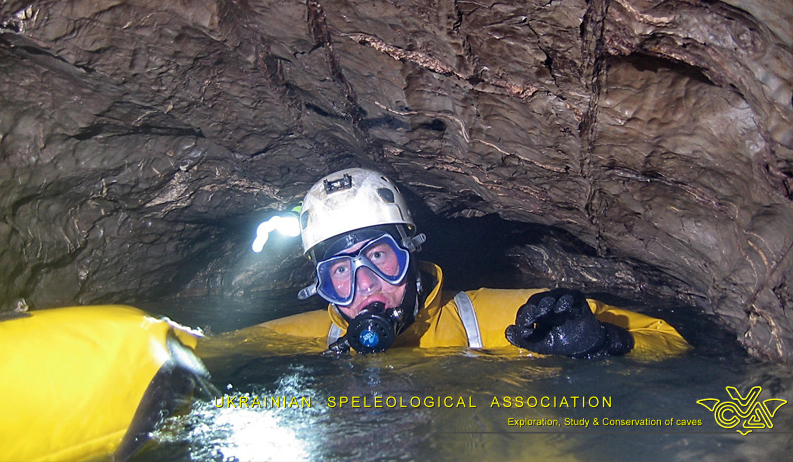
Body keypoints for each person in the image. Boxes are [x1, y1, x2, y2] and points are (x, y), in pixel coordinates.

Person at [258, 168, 689, 357]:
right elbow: (198, 352)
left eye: (377, 257)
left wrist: (605, 344)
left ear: (410, 255)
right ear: (322, 288)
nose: (366, 286)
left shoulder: (500, 322)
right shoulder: (313, 338)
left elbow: (668, 341)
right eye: (341, 273)